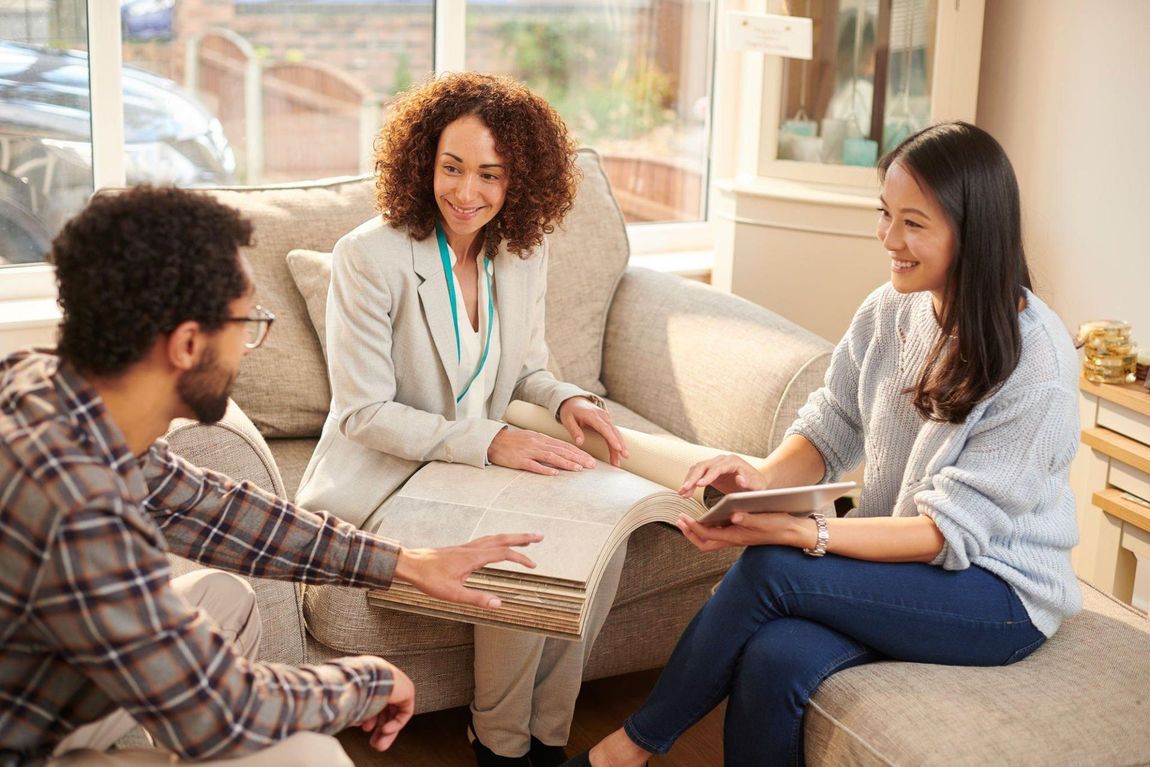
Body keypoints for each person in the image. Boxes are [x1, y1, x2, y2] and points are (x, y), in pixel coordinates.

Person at [565, 121, 1083, 767]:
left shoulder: (1039, 367)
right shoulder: (891, 310)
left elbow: (943, 534)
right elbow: (831, 424)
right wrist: (763, 480)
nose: (890, 240)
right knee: (774, 658)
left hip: (996, 594)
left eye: (914, 223)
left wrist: (802, 533)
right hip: (912, 563)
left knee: (770, 566)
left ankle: (625, 750)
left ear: (973, 230)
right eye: (885, 214)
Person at [0, 185, 544, 767]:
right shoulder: (82, 508)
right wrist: (366, 680)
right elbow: (224, 712)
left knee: (222, 598)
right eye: (246, 321)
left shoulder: (39, 386)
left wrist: (405, 563)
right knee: (310, 756)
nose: (249, 346)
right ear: (187, 343)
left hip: (28, 681)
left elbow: (211, 508)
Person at [295, 72, 629, 767]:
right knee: (520, 547)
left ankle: (547, 735)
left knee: (603, 529)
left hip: (469, 468)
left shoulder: (523, 250)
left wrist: (567, 399)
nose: (466, 192)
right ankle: (501, 746)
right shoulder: (369, 255)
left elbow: (527, 367)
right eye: (452, 167)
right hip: (385, 480)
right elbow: (363, 413)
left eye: (489, 175)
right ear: (424, 161)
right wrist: (494, 440)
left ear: (519, 181)